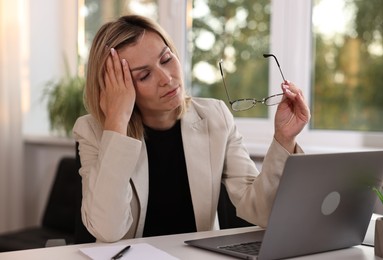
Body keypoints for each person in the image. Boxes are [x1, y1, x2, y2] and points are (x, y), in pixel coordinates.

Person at [73, 14, 311, 243]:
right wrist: (116, 122)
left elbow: (262, 210)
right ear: (115, 87)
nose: (166, 78)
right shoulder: (91, 131)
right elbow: (108, 230)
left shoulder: (215, 116)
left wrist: (283, 139)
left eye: (166, 59)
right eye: (144, 75)